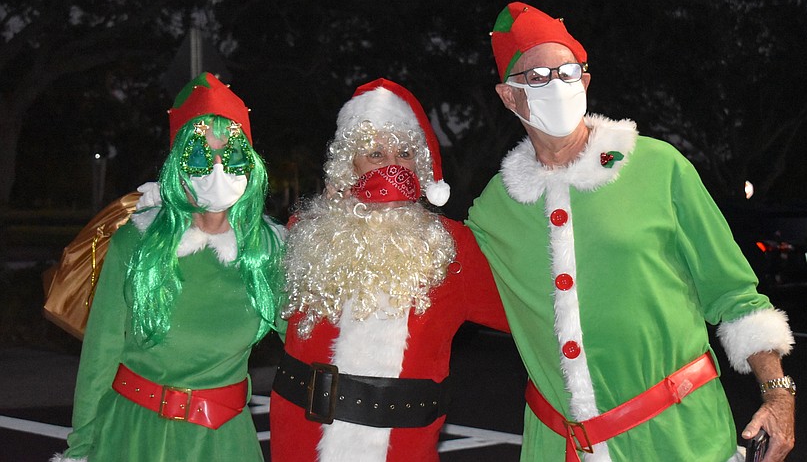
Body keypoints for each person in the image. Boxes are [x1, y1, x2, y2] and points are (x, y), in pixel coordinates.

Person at [466, 2, 796, 462]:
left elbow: (735, 294)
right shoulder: (493, 209)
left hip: (681, 440)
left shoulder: (660, 167)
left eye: (567, 72)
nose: (556, 85)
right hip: (558, 448)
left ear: (585, 80)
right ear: (508, 96)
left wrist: (779, 394)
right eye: (537, 77)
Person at [269, 78, 509, 461]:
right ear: (350, 166)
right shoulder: (307, 230)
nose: (393, 167)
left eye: (405, 153)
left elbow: (525, 314)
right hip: (300, 439)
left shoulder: (453, 246)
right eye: (376, 154)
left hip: (402, 447)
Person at [53, 73, 284, 462]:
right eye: (199, 153)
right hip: (131, 435)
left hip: (222, 443)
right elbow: (101, 353)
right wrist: (80, 449)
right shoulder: (138, 242)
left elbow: (313, 340)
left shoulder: (271, 253)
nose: (216, 168)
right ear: (178, 164)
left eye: (230, 153)